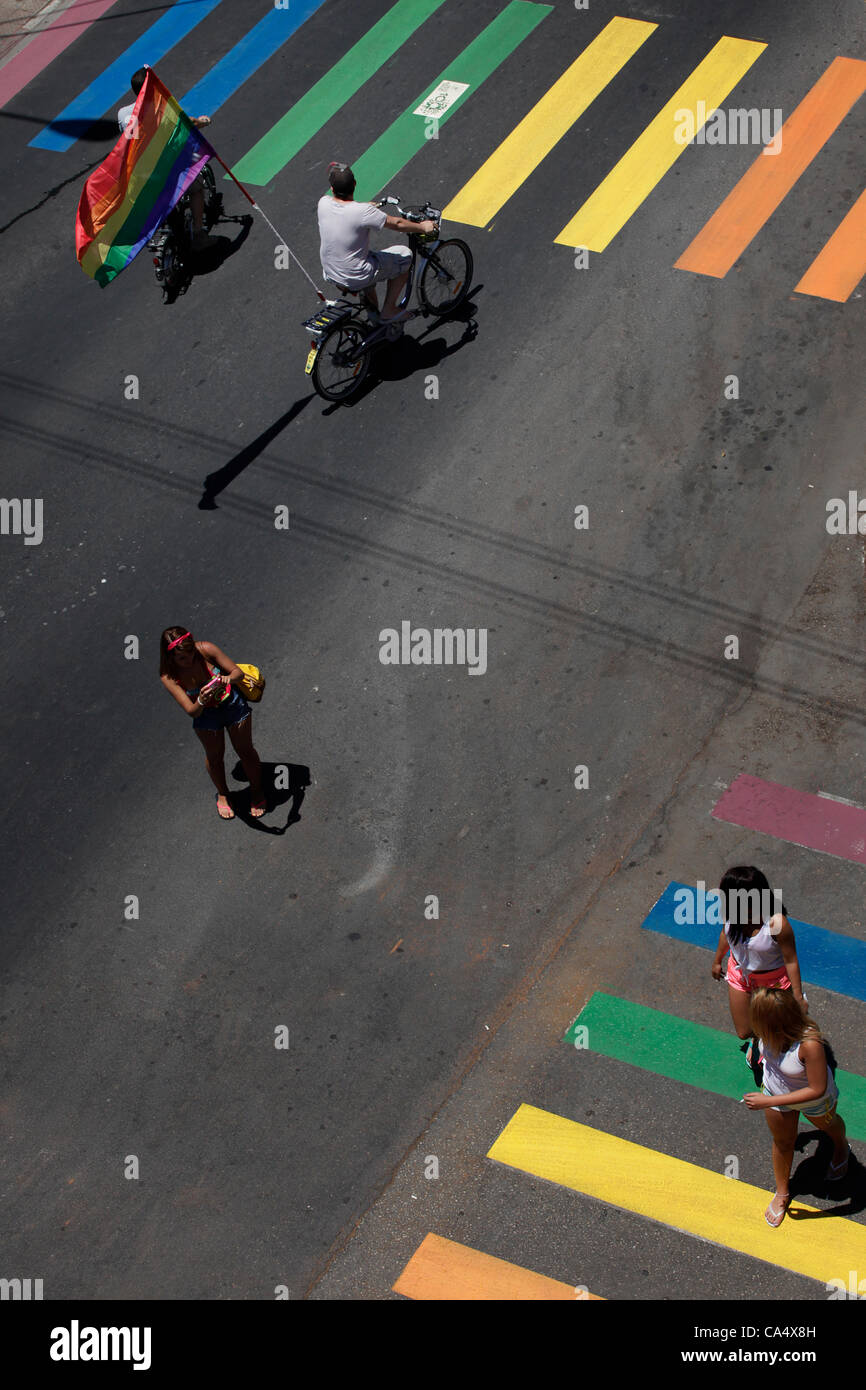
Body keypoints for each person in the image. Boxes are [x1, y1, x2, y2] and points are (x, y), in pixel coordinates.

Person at [744, 987, 850, 1226]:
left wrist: (767, 1101)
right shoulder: (764, 1032)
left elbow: (817, 1089)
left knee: (829, 1125)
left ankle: (841, 1147)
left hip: (812, 1100)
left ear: (776, 1022)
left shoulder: (809, 1044)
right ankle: (782, 1193)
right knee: (783, 1142)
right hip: (775, 1091)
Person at [711, 866, 806, 1081]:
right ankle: (758, 1040)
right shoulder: (732, 914)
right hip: (740, 976)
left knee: (778, 1028)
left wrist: (798, 996)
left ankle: (768, 1045)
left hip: (773, 982)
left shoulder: (776, 923)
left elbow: (791, 960)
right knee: (744, 1032)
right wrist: (717, 960)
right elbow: (725, 936)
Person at [160, 627, 265, 819]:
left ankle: (257, 791)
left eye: (191, 653)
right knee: (215, 757)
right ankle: (223, 793)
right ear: (170, 657)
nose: (190, 659)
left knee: (246, 751)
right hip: (206, 716)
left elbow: (238, 673)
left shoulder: (206, 649)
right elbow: (192, 711)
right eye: (182, 658)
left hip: (232, 705)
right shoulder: (168, 676)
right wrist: (200, 699)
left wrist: (227, 679)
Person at [317, 162, 436, 321]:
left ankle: (373, 316)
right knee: (405, 256)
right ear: (355, 184)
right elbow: (398, 224)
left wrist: (365, 208)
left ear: (332, 189)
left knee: (366, 263)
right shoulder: (363, 212)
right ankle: (389, 310)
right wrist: (422, 227)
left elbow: (344, 211)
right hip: (355, 275)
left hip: (331, 272)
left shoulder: (323, 203)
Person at [118, 68, 217, 249]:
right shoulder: (161, 109)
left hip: (137, 175)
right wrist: (204, 121)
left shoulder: (123, 114)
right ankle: (199, 233)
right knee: (197, 187)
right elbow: (189, 123)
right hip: (161, 171)